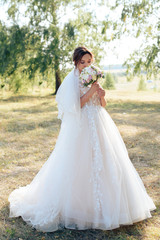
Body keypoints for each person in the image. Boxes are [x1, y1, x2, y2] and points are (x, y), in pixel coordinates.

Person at [8, 46, 156, 232]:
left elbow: (102, 105)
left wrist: (102, 95)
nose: (86, 65)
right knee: (81, 161)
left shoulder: (93, 78)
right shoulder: (73, 81)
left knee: (107, 159)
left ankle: (108, 207)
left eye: (89, 61)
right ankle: (80, 208)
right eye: (82, 62)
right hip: (82, 124)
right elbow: (75, 105)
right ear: (76, 63)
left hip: (100, 121)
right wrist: (91, 91)